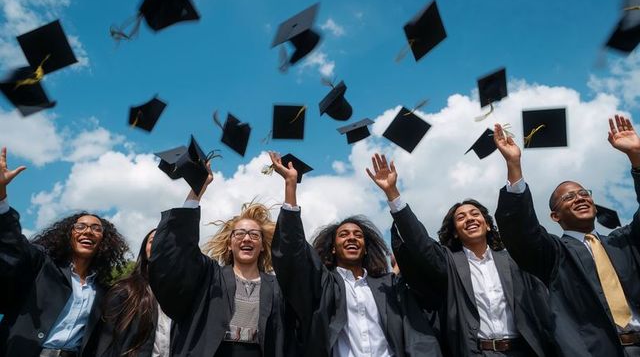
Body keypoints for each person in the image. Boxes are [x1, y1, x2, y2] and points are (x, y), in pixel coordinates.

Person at [367, 153, 555, 356]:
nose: (469, 219)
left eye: (475, 214)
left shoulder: (513, 261)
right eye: (461, 217)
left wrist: (513, 165)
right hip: (475, 352)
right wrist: (393, 193)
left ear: (488, 226)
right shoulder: (450, 263)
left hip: (523, 351)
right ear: (455, 231)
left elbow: (523, 225)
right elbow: (420, 242)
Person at [268, 151, 442, 357]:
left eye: (358, 235)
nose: (351, 238)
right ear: (333, 247)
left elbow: (418, 338)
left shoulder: (390, 287)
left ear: (366, 247)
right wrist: (290, 186)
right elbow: (293, 252)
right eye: (343, 235)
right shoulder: (323, 286)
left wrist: (392, 193)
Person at [493, 115, 640, 356]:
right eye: (569, 197)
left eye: (584, 193)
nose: (580, 198)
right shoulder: (554, 255)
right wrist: (514, 166)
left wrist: (636, 156)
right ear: (555, 216)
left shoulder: (624, 241)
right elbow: (520, 230)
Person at [148, 162, 295, 357]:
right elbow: (180, 249)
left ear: (262, 246)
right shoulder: (209, 278)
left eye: (254, 234)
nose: (247, 238)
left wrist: (290, 187)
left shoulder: (276, 287)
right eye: (240, 233)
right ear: (229, 243)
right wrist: (197, 190)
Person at [0, 147, 129, 357]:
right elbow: (13, 244)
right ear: (68, 235)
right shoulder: (41, 264)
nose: (88, 231)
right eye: (81, 226)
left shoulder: (103, 291)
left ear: (104, 242)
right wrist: (1, 197)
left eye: (97, 229)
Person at [96, 228, 173, 357]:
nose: (158, 244)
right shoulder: (125, 290)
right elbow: (106, 342)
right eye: (153, 241)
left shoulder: (186, 294)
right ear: (144, 250)